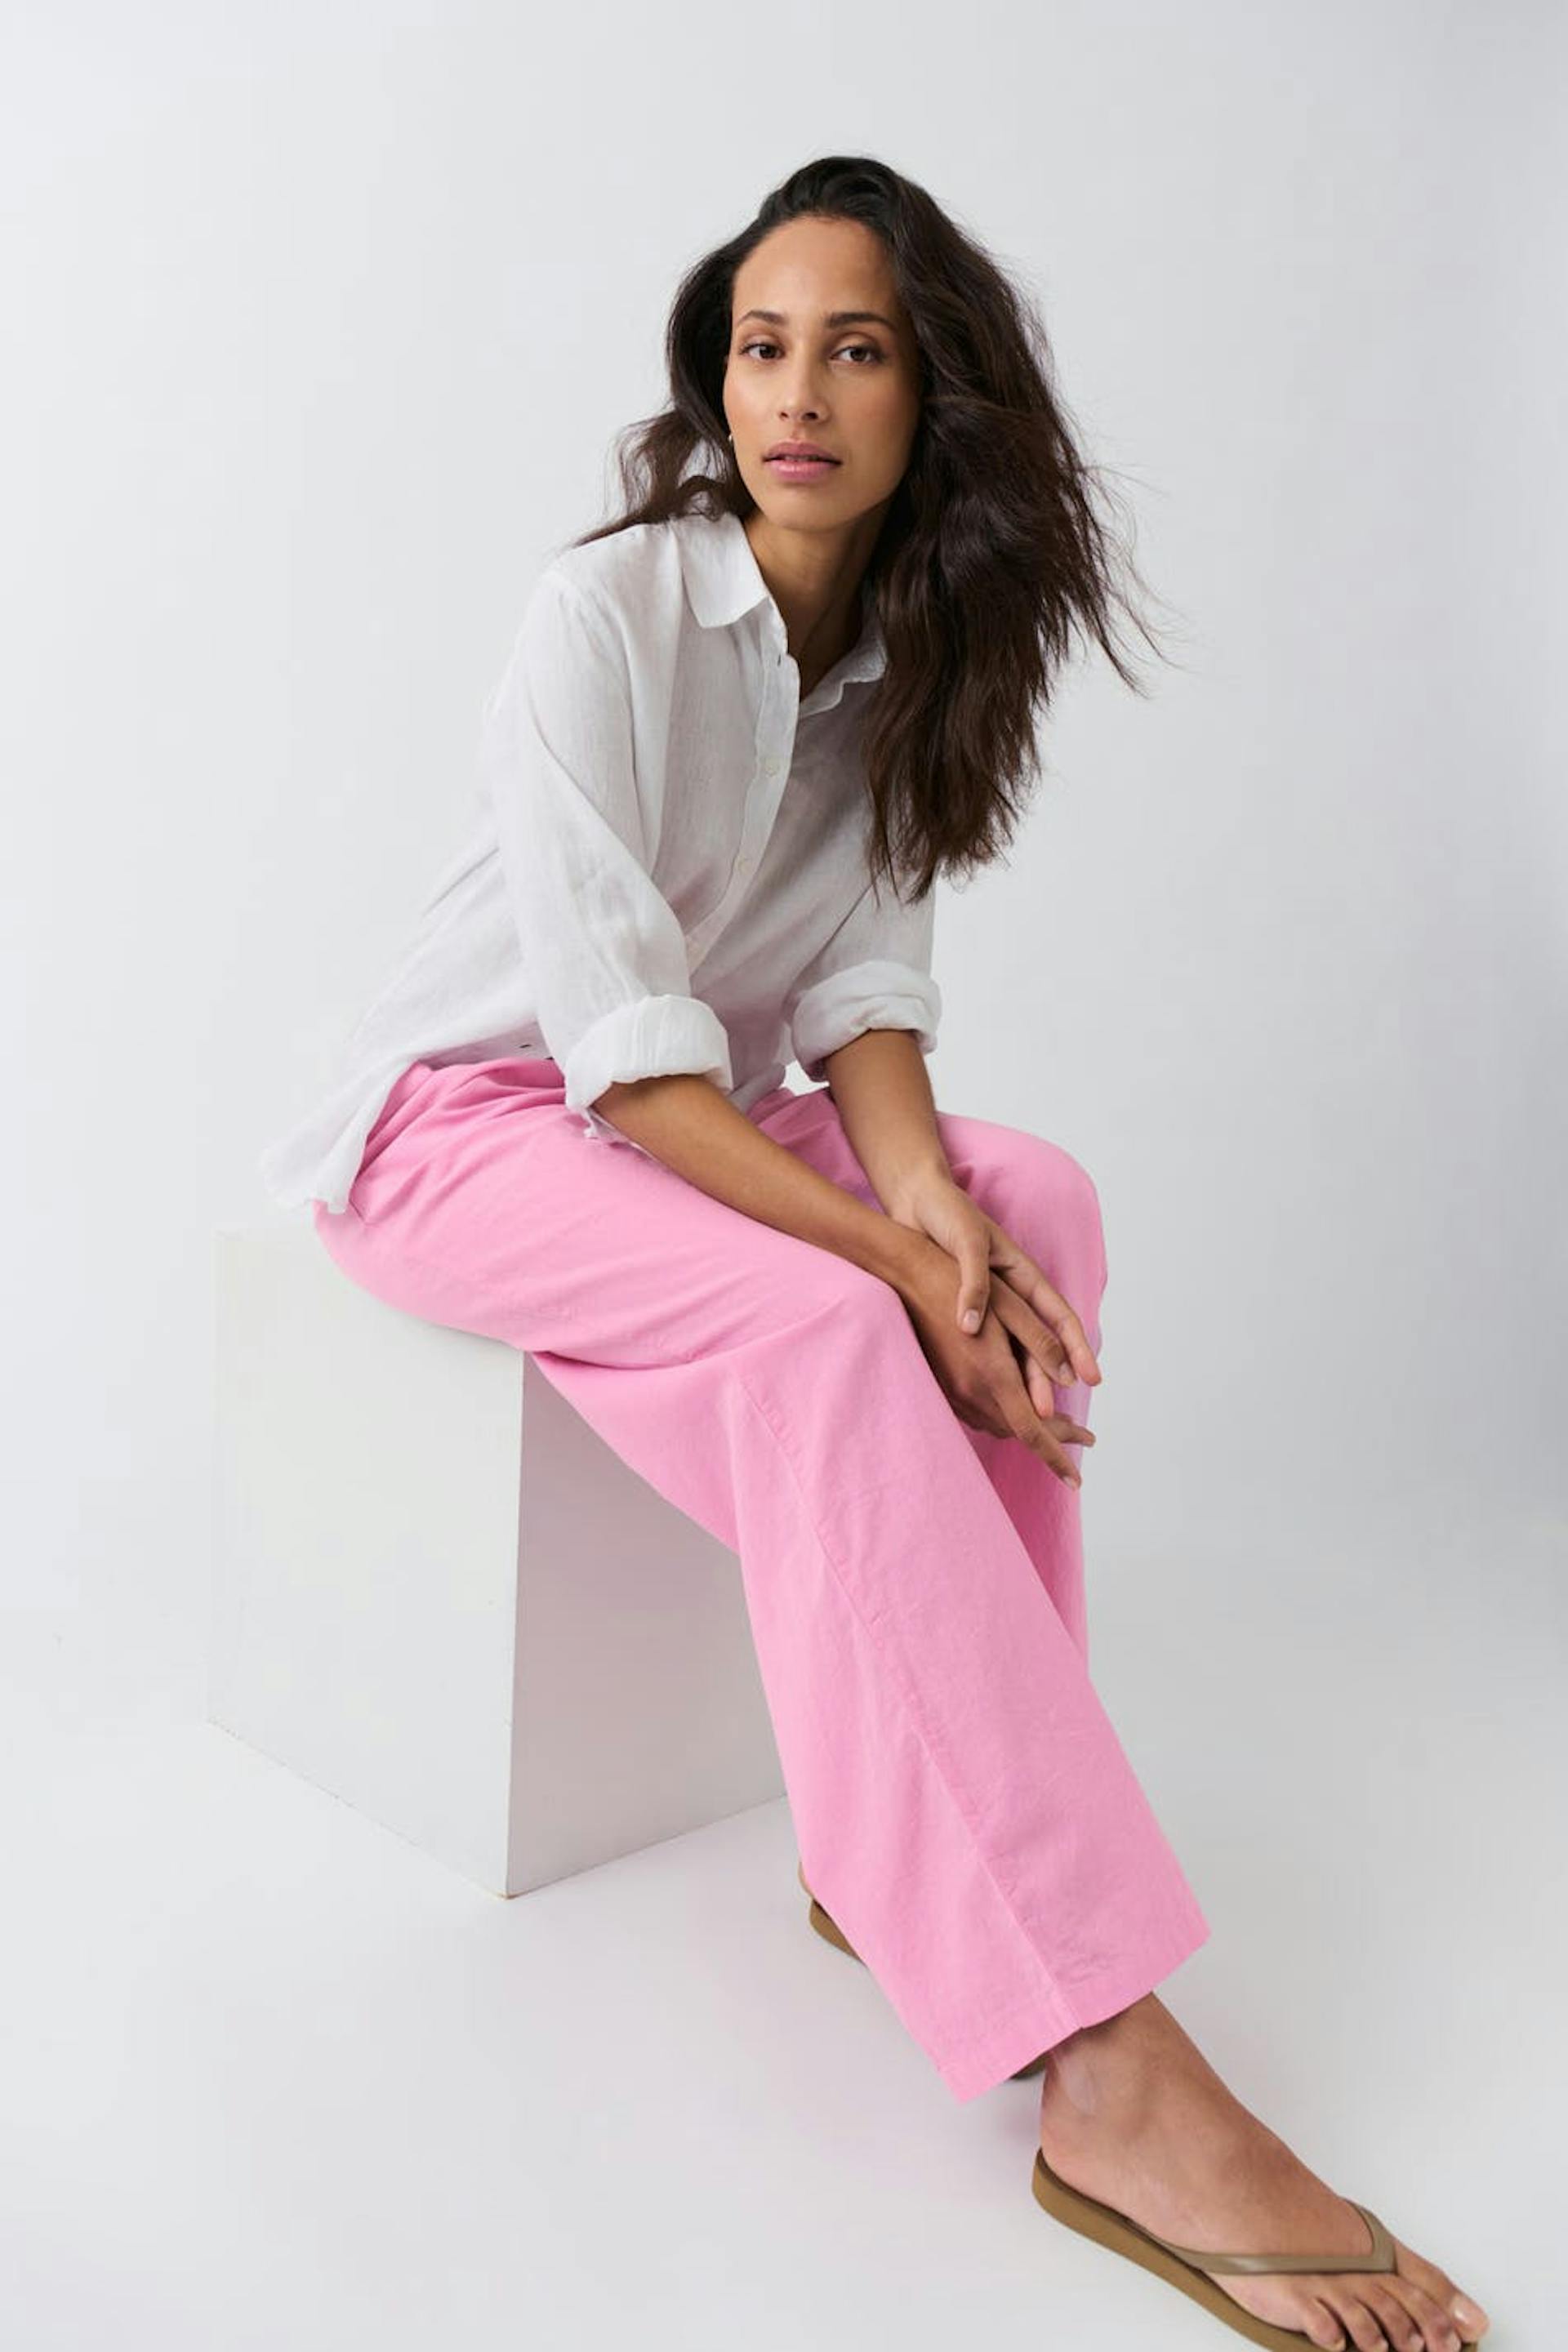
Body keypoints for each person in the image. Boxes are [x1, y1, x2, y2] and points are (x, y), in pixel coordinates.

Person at [256, 155, 1489, 2352]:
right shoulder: (608, 618)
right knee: (840, 1323)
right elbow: (628, 1062)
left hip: (707, 1113)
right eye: (761, 347)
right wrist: (892, 1270)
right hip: (473, 1130)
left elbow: (864, 1002)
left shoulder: (916, 654)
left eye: (854, 351)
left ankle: (911, 1846)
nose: (796, 396)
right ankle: (1101, 2051)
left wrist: (944, 1227)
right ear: (713, 377)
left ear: (937, 396)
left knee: (1038, 1209)